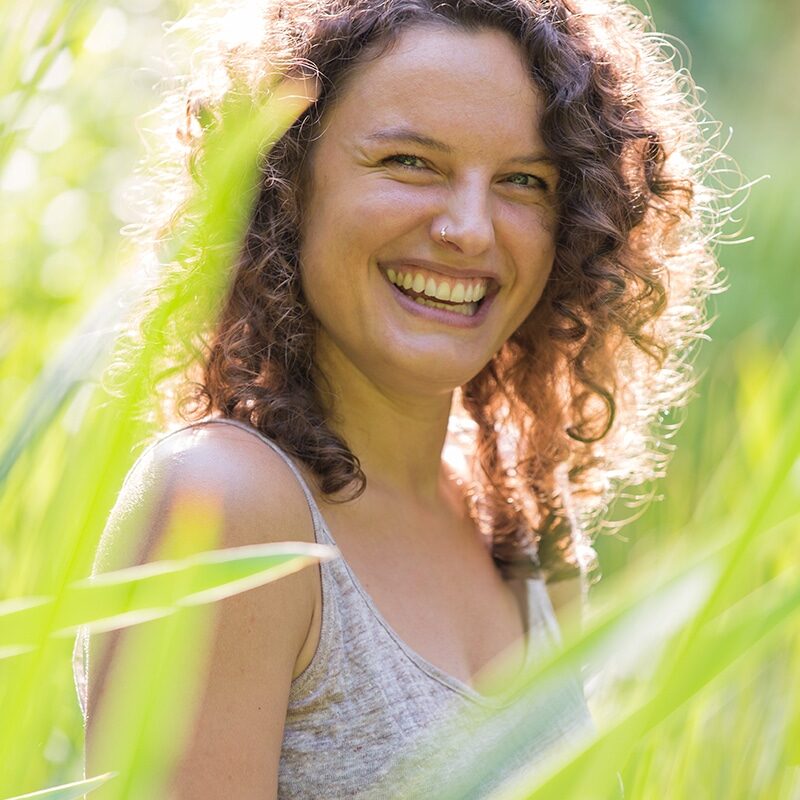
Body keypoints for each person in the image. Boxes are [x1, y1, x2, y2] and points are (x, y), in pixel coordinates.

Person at [73, 0, 724, 796]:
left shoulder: (519, 524)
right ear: (282, 183)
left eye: (524, 181)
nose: (470, 229)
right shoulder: (222, 508)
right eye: (411, 162)